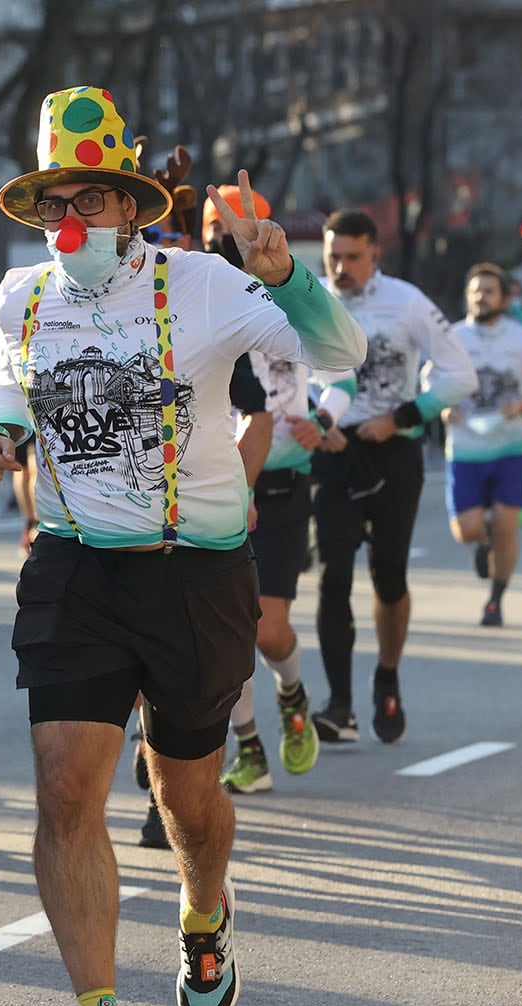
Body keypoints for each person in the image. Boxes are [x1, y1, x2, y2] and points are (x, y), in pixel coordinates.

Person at [0, 87, 365, 1006]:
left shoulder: (200, 285)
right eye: (59, 199)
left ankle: (203, 912)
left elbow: (339, 354)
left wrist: (290, 278)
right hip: (72, 562)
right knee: (66, 788)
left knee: (187, 792)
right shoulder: (23, 294)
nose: (74, 221)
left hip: (193, 572)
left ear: (134, 207)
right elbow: (10, 388)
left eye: (93, 201)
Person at [309, 210, 475, 744]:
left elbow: (460, 374)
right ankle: (339, 705)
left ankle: (387, 674)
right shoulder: (310, 297)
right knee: (334, 576)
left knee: (389, 577)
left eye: (353, 256)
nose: (341, 266)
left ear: (375, 254)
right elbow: (283, 367)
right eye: (334, 255)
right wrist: (319, 422)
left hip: (392, 453)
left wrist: (403, 417)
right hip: (333, 450)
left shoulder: (405, 301)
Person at [200, 184, 323, 798]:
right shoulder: (188, 297)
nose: (229, 243)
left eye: (242, 231)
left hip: (277, 484)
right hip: (212, 488)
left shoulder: (284, 295)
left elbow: (341, 360)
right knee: (232, 633)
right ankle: (249, 748)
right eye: (218, 232)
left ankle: (294, 694)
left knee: (267, 631)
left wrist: (325, 418)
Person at [445, 263, 522, 627]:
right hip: (466, 447)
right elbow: (432, 381)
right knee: (467, 530)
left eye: (489, 290)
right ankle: (482, 541)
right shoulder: (451, 337)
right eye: (475, 290)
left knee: (506, 524)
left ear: (504, 298)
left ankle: (496, 600)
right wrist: (443, 407)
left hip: (511, 445)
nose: (480, 297)